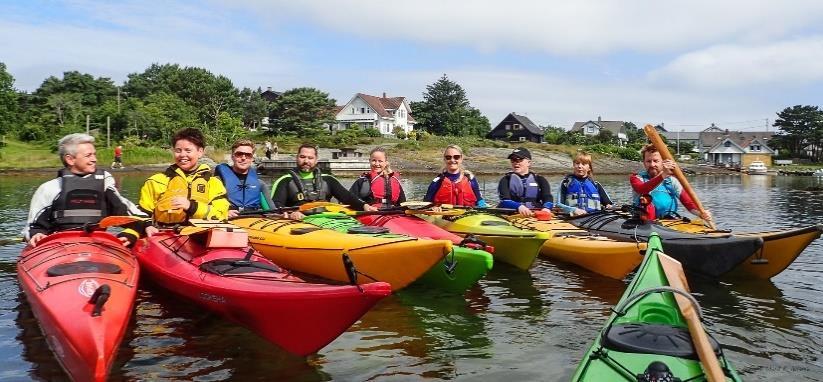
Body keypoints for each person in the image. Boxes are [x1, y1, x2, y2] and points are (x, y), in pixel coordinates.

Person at [23, 133, 145, 247]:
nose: (94, 159)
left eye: (94, 154)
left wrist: (135, 231)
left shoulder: (104, 185)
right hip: (60, 246)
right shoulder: (49, 188)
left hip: (96, 245)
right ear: (70, 159)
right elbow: (33, 226)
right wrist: (37, 234)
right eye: (88, 155)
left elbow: (127, 212)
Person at [138, 128, 230, 230]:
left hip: (199, 236)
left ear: (200, 152)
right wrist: (144, 228)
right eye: (178, 150)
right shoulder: (156, 181)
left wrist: (192, 207)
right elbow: (142, 213)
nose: (182, 155)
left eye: (188, 150)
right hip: (164, 234)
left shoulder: (214, 183)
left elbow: (221, 214)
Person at [271, 143, 377, 220]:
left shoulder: (328, 179)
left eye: (310, 158)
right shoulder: (285, 181)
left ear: (316, 160)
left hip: (325, 219)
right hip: (298, 222)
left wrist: (364, 206)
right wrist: (290, 214)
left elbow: (347, 197)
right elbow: (276, 206)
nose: (306, 161)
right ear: (297, 158)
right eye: (302, 157)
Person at [630, 144, 712, 221]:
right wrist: (663, 175)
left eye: (656, 161)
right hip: (644, 223)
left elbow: (688, 202)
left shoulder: (672, 181)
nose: (652, 164)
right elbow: (642, 189)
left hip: (667, 222)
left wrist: (701, 213)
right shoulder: (636, 178)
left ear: (663, 162)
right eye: (648, 161)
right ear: (644, 162)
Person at [214, 139, 275, 217]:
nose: (243, 158)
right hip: (228, 221)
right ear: (232, 156)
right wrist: (223, 212)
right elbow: (207, 206)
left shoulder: (260, 184)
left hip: (252, 220)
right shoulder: (218, 181)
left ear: (252, 158)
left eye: (248, 155)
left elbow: (272, 211)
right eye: (239, 154)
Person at [424, 145, 488, 208]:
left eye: (456, 157)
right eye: (448, 157)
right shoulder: (437, 181)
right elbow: (427, 203)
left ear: (461, 158)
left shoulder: (470, 178)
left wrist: (482, 204)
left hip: (467, 215)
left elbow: (479, 199)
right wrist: (433, 208)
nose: (452, 160)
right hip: (443, 216)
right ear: (444, 159)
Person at [496, 147, 553, 217]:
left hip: (535, 214)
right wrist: (519, 206)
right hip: (513, 213)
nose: (515, 163)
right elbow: (504, 201)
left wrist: (546, 208)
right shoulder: (505, 180)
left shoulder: (540, 179)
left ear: (529, 162)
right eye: (513, 160)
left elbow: (548, 197)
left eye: (519, 160)